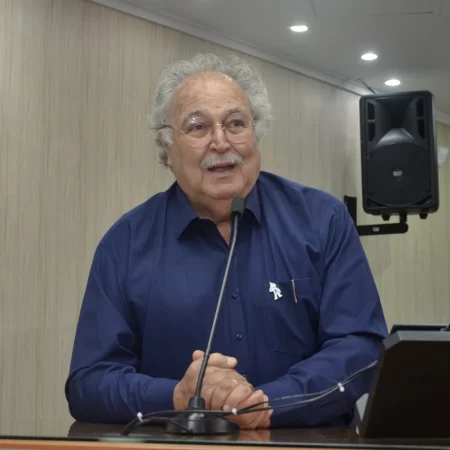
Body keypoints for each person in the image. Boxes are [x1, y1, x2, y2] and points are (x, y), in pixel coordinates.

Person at [65, 53, 388, 429]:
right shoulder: (125, 243)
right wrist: (177, 397)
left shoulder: (323, 220)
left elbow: (360, 348)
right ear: (167, 147)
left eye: (236, 123)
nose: (221, 142)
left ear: (255, 133)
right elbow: (89, 383)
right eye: (198, 127)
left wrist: (268, 403)